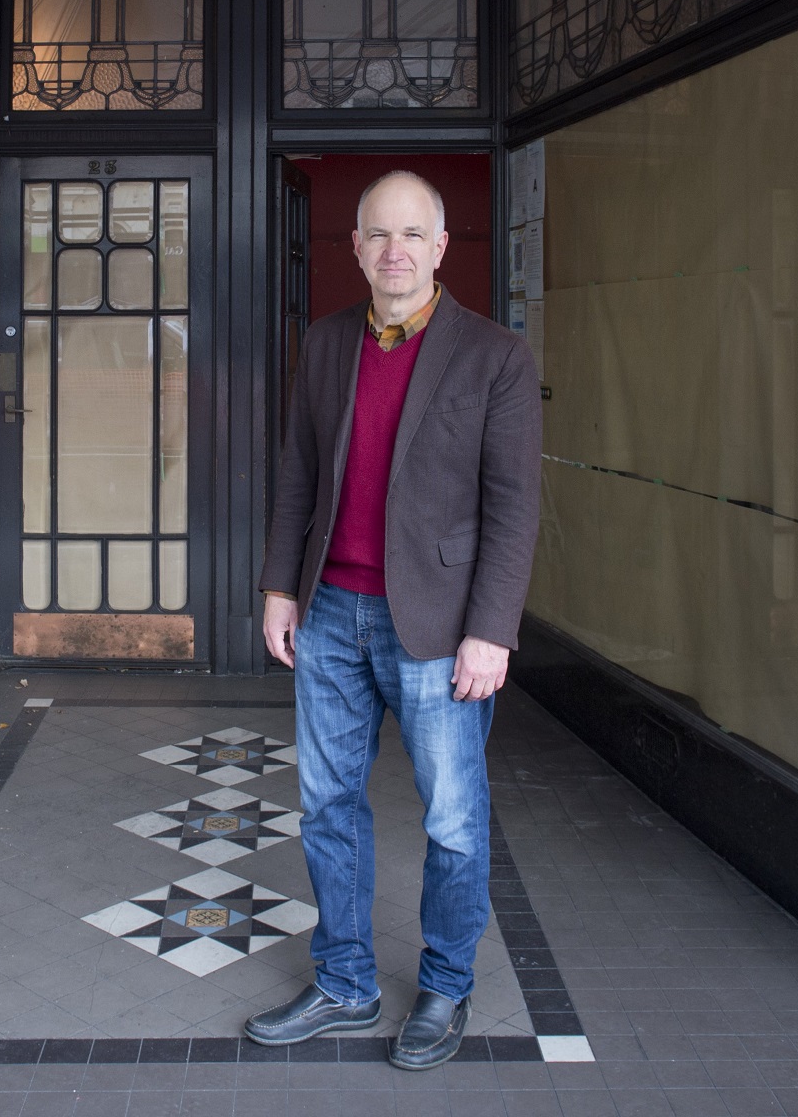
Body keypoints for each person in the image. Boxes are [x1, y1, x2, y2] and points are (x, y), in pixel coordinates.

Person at [245, 170, 542, 1070]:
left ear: (441, 248)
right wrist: (279, 587)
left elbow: (514, 505)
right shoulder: (328, 343)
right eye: (379, 235)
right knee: (327, 806)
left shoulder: (494, 357)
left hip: (442, 627)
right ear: (357, 248)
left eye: (414, 235)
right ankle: (345, 981)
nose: (395, 251)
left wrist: (491, 630)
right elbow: (298, 471)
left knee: (452, 819)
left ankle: (445, 988)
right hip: (332, 612)